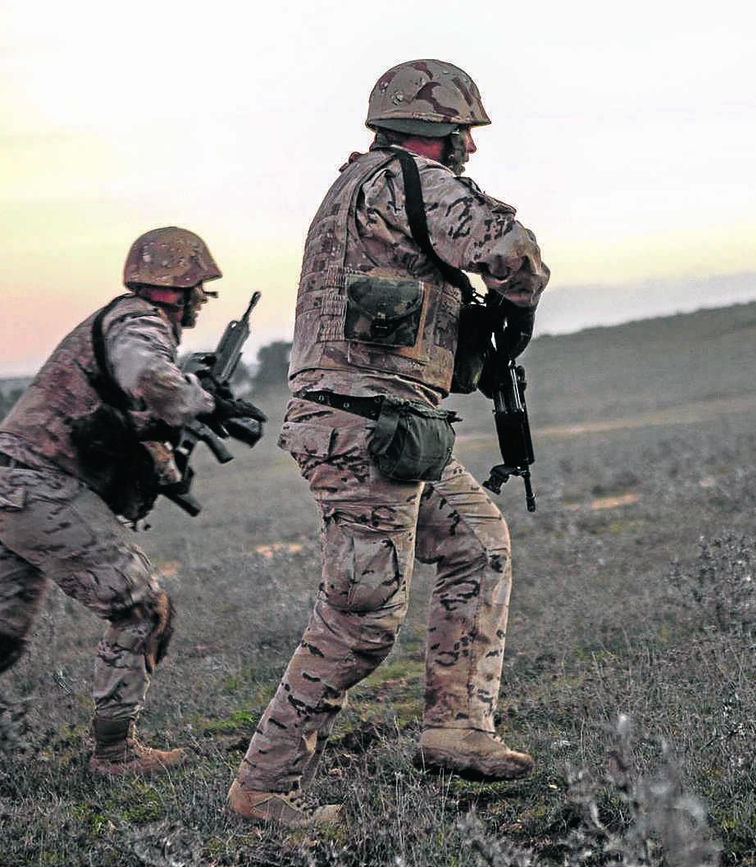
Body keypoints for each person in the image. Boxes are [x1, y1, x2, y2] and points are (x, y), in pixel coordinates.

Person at [0, 227, 263, 811]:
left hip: (5, 486)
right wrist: (204, 400)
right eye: (199, 289)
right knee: (142, 609)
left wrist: (165, 444)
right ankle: (116, 752)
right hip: (39, 488)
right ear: (179, 288)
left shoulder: (117, 325)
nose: (203, 302)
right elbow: (150, 379)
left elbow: (123, 418)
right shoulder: (139, 322)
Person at [226, 59, 550, 827]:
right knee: (362, 616)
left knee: (476, 539)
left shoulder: (359, 184)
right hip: (366, 427)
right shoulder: (416, 181)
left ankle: (457, 727)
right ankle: (263, 788)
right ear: (438, 129)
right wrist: (516, 305)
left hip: (387, 422)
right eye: (465, 130)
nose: (472, 145)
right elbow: (513, 253)